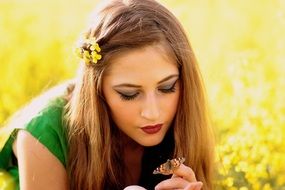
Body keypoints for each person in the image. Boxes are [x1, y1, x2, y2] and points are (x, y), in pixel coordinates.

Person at [0, 0, 215, 189]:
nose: (152, 112)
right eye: (129, 94)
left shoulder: (185, 119)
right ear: (96, 88)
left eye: (167, 88)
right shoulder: (42, 134)